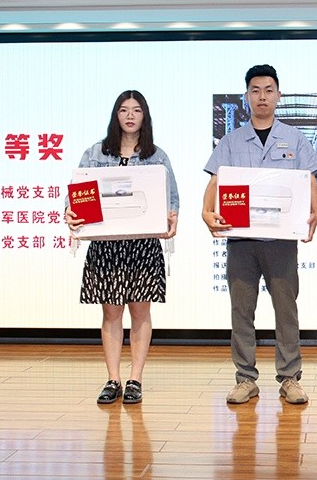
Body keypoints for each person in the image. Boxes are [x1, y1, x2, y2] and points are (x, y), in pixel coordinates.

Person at [202, 64, 317, 405]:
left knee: (286, 309)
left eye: (268, 90)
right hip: (240, 240)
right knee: (242, 311)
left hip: (280, 242)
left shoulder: (295, 138)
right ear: (246, 97)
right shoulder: (231, 140)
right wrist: (205, 211)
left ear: (278, 95)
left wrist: (314, 212)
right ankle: (245, 378)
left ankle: (290, 378)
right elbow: (215, 180)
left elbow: (309, 178)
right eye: (255, 91)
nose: (262, 97)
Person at [65, 90, 180, 405]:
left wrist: (172, 218)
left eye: (137, 110)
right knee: (111, 312)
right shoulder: (95, 153)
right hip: (106, 245)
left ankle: (135, 379)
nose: (130, 115)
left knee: (140, 312)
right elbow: (75, 194)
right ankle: (113, 379)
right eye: (124, 110)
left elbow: (172, 199)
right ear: (116, 115)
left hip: (143, 244)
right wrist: (71, 212)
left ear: (145, 116)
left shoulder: (157, 156)